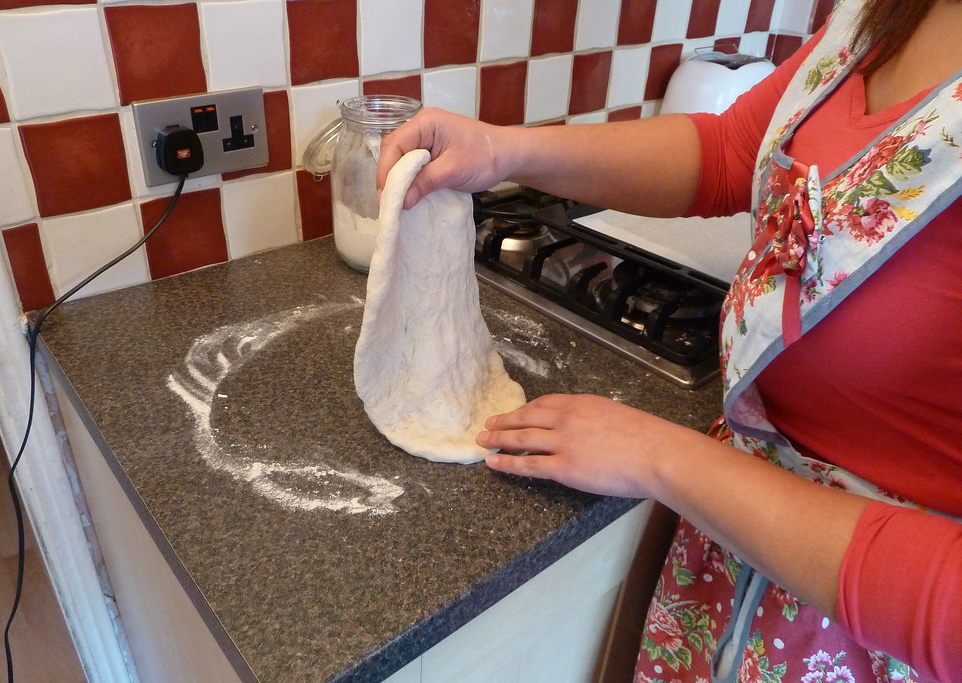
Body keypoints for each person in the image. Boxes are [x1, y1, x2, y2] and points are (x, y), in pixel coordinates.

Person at [376, 0, 962, 680]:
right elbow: (732, 152)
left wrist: (662, 456)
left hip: (869, 639)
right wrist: (502, 150)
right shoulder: (891, 12)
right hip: (735, 553)